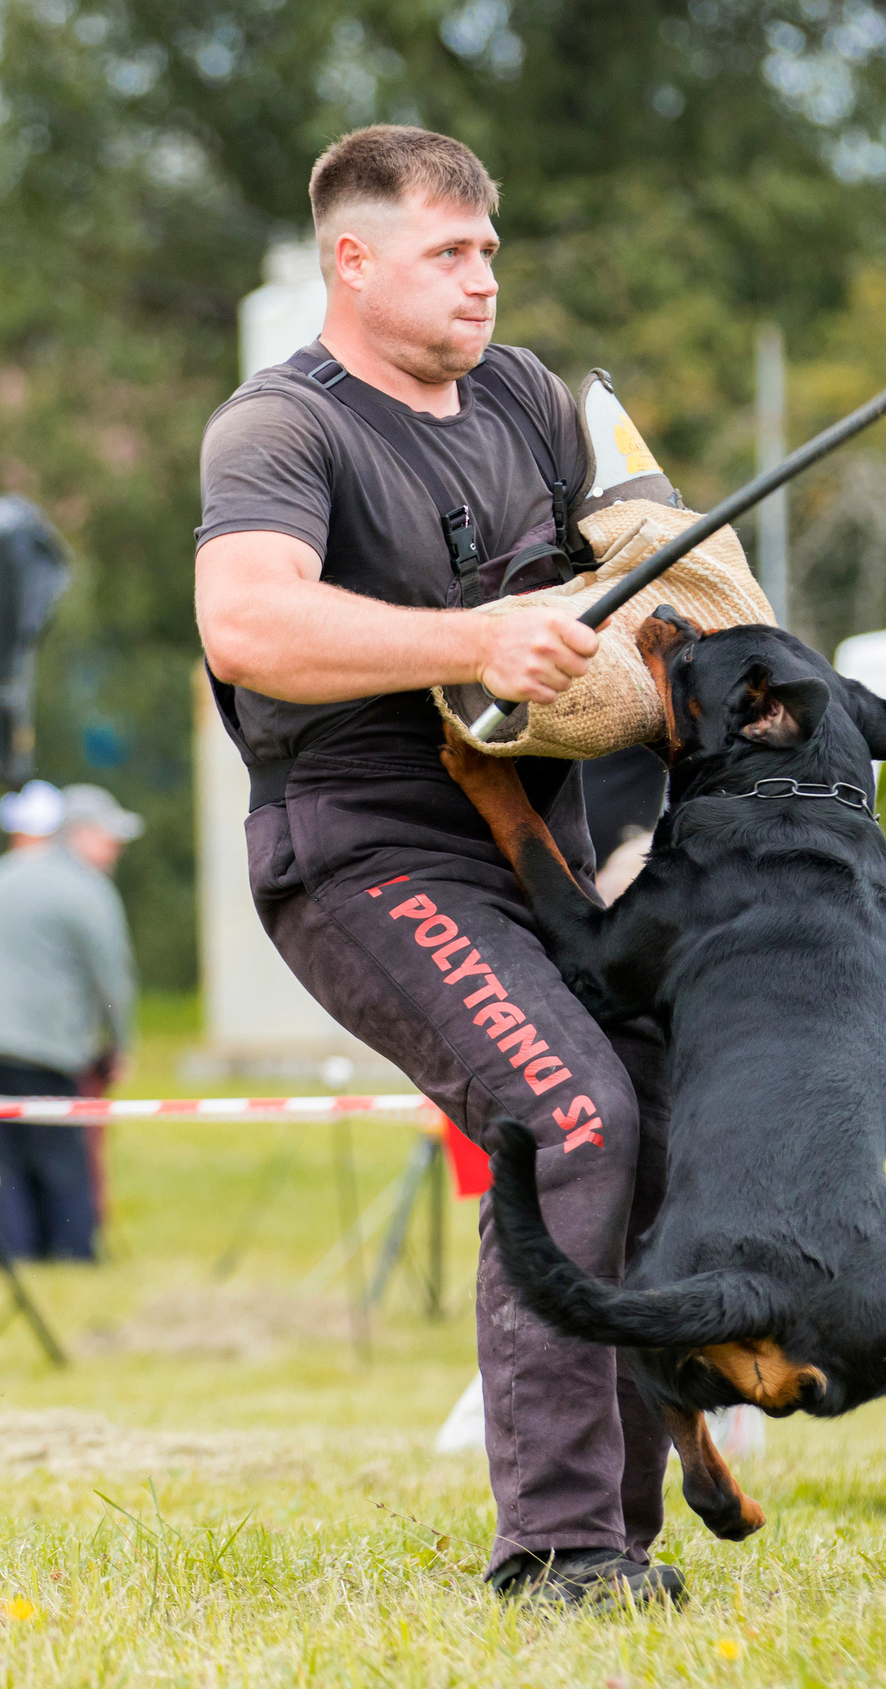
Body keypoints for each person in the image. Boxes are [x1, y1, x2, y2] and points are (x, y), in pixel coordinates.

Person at [196, 126, 679, 1606]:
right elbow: (250, 626)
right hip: (366, 849)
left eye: (489, 249)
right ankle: (553, 1554)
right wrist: (475, 638)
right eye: (447, 253)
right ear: (354, 262)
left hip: (545, 842)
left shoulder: (530, 394)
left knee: (646, 1122)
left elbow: (654, 553)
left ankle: (625, 1540)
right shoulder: (279, 429)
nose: (483, 278)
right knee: (568, 1118)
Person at [0, 782, 139, 1262]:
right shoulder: (87, 889)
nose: (116, 848)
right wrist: (119, 1045)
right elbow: (112, 979)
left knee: (5, 1157)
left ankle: (17, 1250)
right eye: (109, 836)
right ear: (79, 834)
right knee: (62, 1157)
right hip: (45, 1045)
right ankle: (73, 1253)